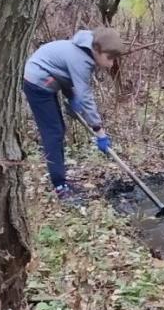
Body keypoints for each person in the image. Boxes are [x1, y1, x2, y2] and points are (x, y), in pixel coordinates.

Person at [23, 27, 124, 198]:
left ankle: (61, 181)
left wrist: (71, 96)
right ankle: (60, 186)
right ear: (97, 50)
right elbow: (86, 97)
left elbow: (63, 72)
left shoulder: (84, 50)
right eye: (109, 58)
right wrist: (99, 131)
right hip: (38, 82)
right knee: (54, 133)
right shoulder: (82, 60)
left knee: (57, 131)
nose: (111, 64)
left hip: (48, 77)